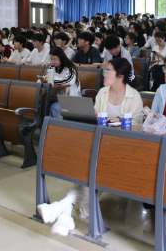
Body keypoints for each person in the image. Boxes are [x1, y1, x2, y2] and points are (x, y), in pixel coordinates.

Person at [36, 58, 142, 236]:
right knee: (88, 164)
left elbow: (139, 126)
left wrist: (119, 120)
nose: (104, 74)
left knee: (91, 166)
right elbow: (96, 118)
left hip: (123, 149)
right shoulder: (102, 92)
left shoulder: (134, 96)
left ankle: (61, 208)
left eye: (108, 71)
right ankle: (65, 214)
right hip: (102, 145)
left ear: (120, 76)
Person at [46, 48, 81, 119]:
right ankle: (47, 124)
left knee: (54, 107)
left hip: (70, 99)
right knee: (43, 104)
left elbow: (69, 81)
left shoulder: (70, 67)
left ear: (61, 57)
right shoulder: (52, 66)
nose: (53, 62)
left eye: (55, 59)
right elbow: (45, 77)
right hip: (56, 98)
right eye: (51, 59)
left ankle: (59, 125)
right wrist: (43, 80)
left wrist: (52, 80)